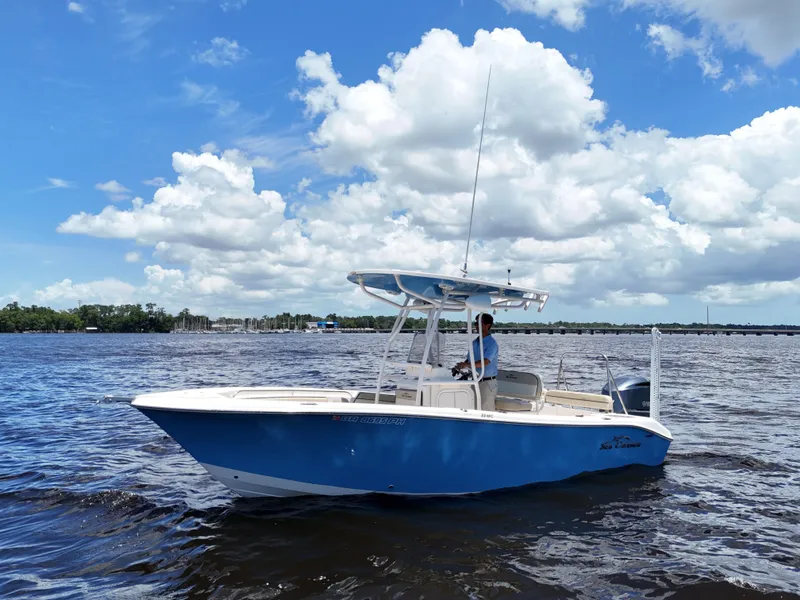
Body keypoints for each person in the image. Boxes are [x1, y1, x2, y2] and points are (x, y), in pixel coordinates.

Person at [453, 313, 498, 411]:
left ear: (487, 325)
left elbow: (485, 362)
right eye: (475, 323)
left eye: (479, 323)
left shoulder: (492, 344)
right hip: (475, 381)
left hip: (487, 383)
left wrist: (466, 365)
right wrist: (460, 366)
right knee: (473, 410)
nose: (476, 326)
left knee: (486, 412)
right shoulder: (474, 342)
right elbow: (470, 360)